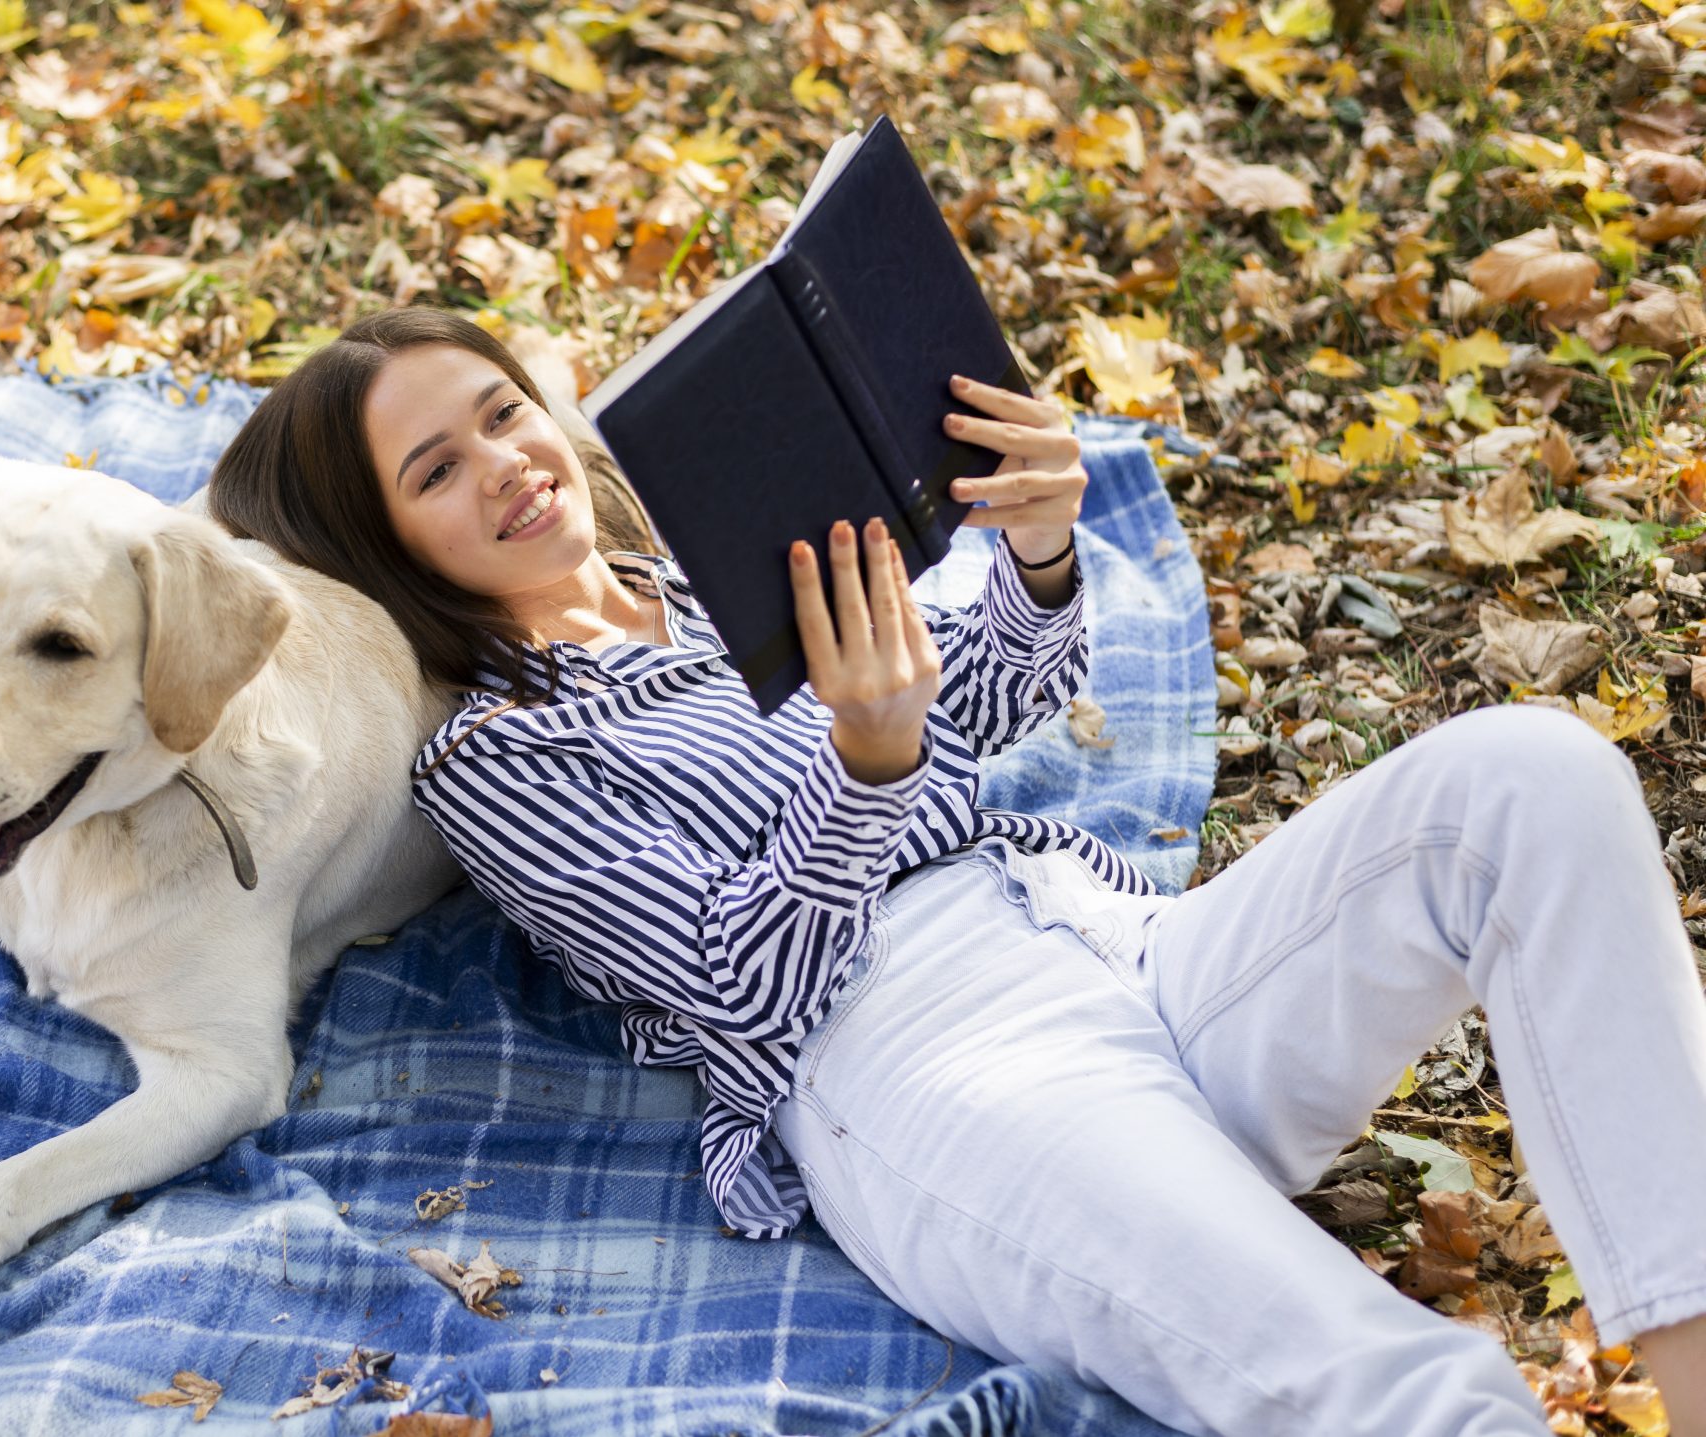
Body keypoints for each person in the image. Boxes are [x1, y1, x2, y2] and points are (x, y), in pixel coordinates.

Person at [202, 304, 1706, 1437]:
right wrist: (862, 768)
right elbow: (734, 985)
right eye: (436, 468)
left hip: (1105, 938)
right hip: (919, 1066)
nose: (510, 468)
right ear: (389, 544)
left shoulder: (698, 572)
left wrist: (1043, 552)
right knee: (1398, 1382)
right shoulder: (490, 760)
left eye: (503, 412)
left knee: (1529, 776)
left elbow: (965, 703)